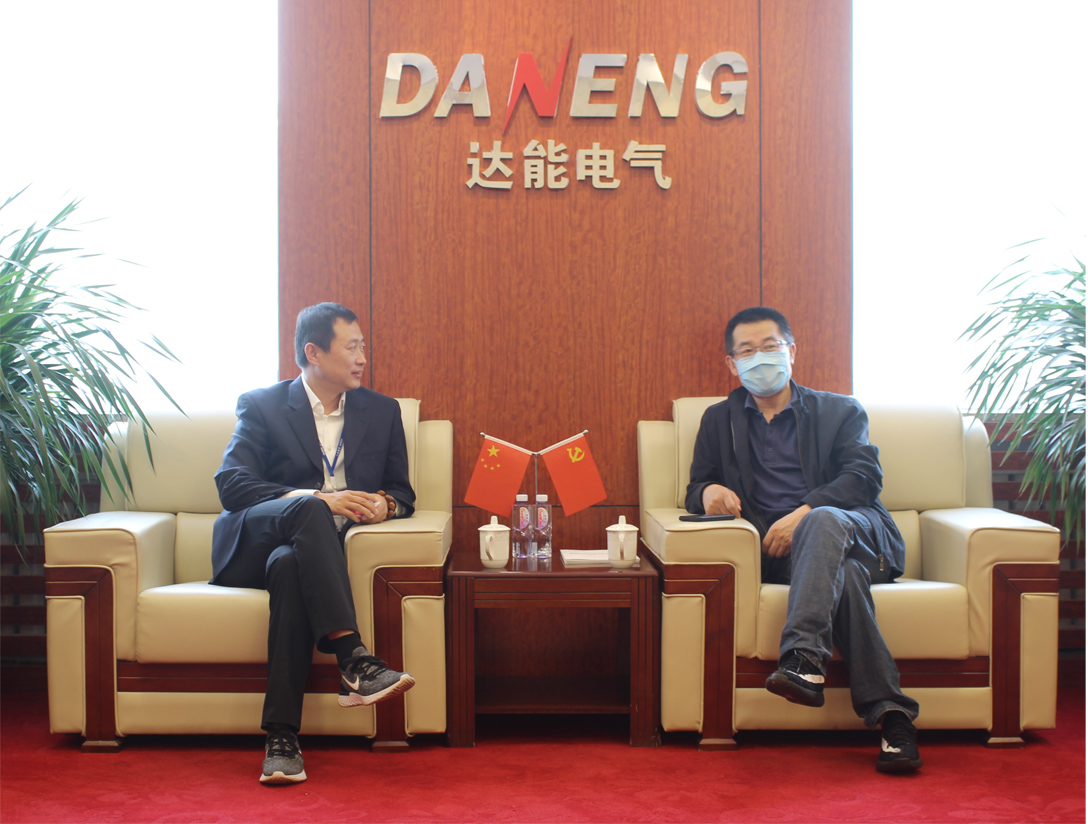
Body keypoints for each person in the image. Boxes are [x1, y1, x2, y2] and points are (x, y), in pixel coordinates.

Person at [685, 306, 922, 773]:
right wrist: (708, 491)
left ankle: (803, 655)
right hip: (787, 558)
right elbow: (696, 486)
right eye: (746, 351)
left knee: (824, 521)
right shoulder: (718, 419)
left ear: (791, 351)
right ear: (731, 363)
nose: (759, 358)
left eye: (770, 346)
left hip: (862, 538)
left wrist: (805, 512)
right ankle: (894, 719)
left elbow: (863, 478)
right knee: (843, 579)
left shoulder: (840, 410)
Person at [211, 302, 417, 785]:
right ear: (314, 353)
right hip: (254, 542)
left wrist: (385, 505)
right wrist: (320, 498)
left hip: (308, 556)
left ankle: (281, 739)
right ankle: (354, 657)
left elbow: (403, 493)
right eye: (352, 347)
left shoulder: (382, 411)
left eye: (363, 346)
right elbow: (232, 485)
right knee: (310, 508)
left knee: (290, 565)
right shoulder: (262, 405)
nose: (362, 357)